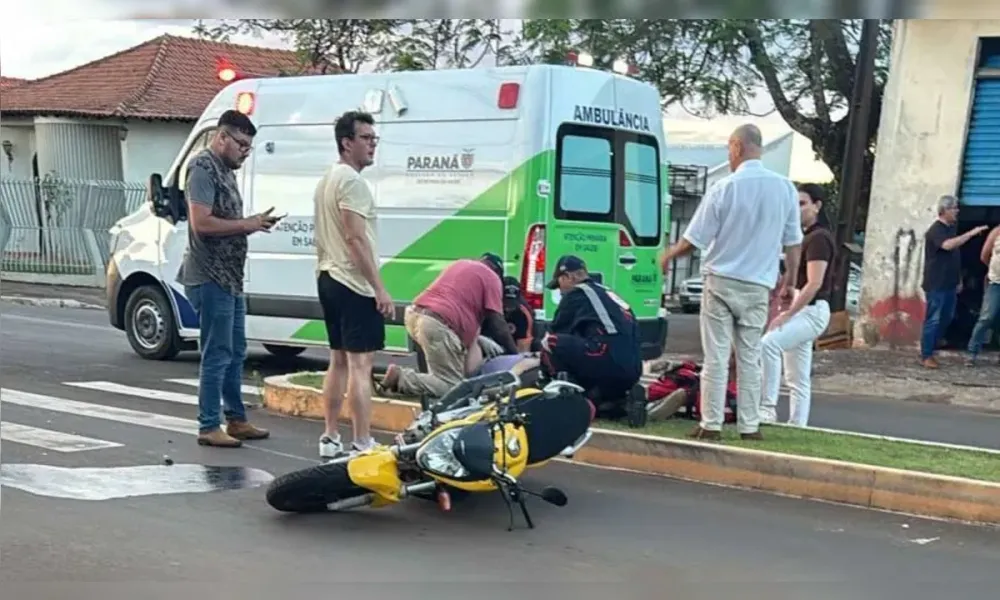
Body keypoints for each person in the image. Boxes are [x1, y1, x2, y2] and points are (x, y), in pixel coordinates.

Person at [658, 123, 802, 441]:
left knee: (717, 356)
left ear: (737, 146)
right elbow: (793, 242)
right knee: (750, 356)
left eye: (729, 149)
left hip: (721, 280)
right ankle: (749, 426)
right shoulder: (785, 189)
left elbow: (695, 239)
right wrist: (790, 281)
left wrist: (669, 255)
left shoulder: (724, 187)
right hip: (758, 285)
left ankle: (711, 423)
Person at [178, 110, 277, 448]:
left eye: (249, 147)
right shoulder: (202, 168)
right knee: (217, 352)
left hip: (230, 277)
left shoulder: (226, 170)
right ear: (221, 137)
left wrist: (254, 222)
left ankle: (236, 419)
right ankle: (208, 425)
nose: (245, 152)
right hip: (210, 276)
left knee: (236, 351)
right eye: (241, 145)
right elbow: (201, 223)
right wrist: (247, 224)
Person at [314, 110, 394, 459]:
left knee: (338, 360)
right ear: (347, 143)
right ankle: (362, 441)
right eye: (366, 138)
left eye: (375, 139)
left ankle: (330, 435)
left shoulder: (328, 178)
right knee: (361, 365)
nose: (372, 144)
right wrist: (379, 288)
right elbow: (355, 238)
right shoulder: (352, 182)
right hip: (352, 283)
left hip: (328, 276)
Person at [380, 253, 519, 398]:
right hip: (437, 324)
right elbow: (498, 323)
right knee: (453, 387)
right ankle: (402, 378)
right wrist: (514, 355)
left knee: (440, 376)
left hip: (414, 314)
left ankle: (397, 387)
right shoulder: (492, 278)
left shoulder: (460, 264)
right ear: (498, 273)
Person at [759, 183, 836, 427]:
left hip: (812, 310)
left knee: (769, 344)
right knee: (797, 375)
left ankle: (767, 408)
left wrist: (788, 314)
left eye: (802, 204)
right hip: (806, 308)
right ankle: (798, 423)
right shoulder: (806, 237)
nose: (797, 209)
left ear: (817, 206)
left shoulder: (819, 238)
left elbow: (814, 283)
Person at [539, 255, 644, 421]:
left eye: (559, 284)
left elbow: (556, 331)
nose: (560, 291)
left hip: (605, 356)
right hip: (633, 367)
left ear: (568, 277)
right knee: (587, 348)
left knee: (549, 343)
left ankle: (566, 394)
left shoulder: (577, 294)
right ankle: (619, 401)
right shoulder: (607, 293)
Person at [919, 194, 987, 369]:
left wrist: (958, 280)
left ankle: (933, 345)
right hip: (936, 283)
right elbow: (948, 245)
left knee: (947, 317)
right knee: (933, 319)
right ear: (944, 210)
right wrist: (971, 233)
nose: (957, 211)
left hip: (950, 283)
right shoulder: (936, 230)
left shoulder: (950, 228)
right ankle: (926, 354)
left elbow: (954, 257)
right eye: (954, 208)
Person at [966, 222, 1000, 366]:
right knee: (986, 317)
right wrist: (993, 270)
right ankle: (972, 352)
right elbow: (984, 255)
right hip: (996, 283)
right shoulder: (997, 232)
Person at [501, 275, 536, 353]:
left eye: (512, 305)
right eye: (506, 304)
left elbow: (524, 348)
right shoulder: (491, 311)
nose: (508, 308)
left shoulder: (524, 314)